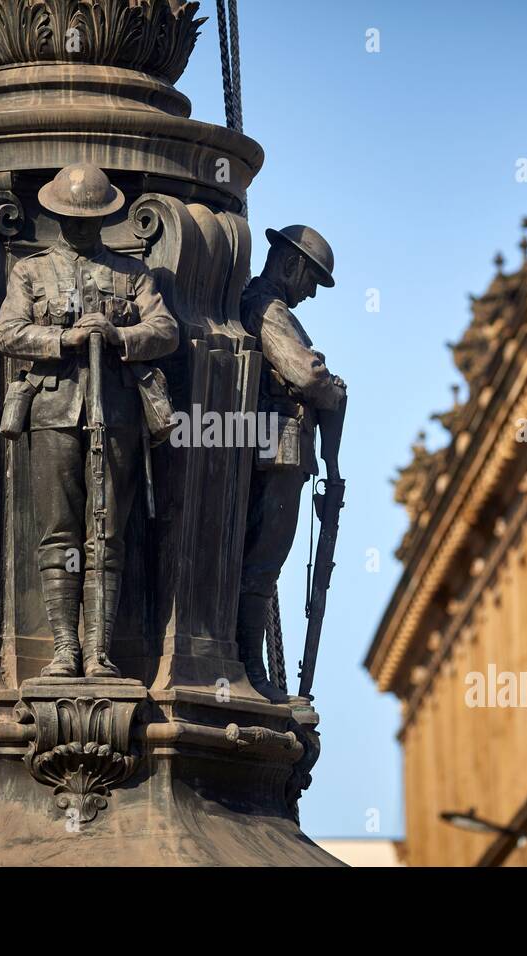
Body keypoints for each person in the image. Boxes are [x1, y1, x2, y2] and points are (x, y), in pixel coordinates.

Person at [0, 163, 178, 678]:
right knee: (58, 533)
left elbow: (166, 331)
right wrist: (63, 340)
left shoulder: (131, 273)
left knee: (107, 534)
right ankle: (64, 649)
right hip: (52, 410)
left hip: (115, 411)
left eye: (89, 219)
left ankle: (97, 650)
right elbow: (6, 333)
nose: (80, 227)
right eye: (70, 218)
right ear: (54, 216)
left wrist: (119, 337)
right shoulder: (29, 272)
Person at [237, 225, 346, 702]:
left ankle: (248, 665)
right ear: (290, 263)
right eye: (310, 280)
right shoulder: (268, 306)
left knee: (264, 564)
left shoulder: (268, 305)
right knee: (263, 563)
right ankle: (248, 669)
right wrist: (332, 386)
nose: (309, 292)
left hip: (278, 449)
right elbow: (306, 376)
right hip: (276, 449)